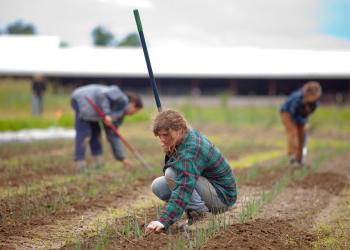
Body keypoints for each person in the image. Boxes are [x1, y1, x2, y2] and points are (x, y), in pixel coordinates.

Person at [146, 110, 237, 233]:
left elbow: (184, 186)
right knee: (158, 185)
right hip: (209, 188)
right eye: (159, 136)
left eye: (166, 135)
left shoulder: (191, 150)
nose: (162, 140)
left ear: (178, 130)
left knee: (172, 173)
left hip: (222, 198)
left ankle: (201, 215)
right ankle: (193, 210)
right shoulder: (185, 136)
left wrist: (164, 221)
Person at [71, 84, 143, 170]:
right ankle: (80, 164)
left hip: (94, 110)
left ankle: (98, 163)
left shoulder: (119, 115)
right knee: (84, 133)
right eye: (135, 111)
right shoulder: (122, 98)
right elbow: (102, 95)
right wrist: (107, 114)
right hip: (83, 98)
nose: (132, 114)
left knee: (96, 133)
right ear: (133, 104)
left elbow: (113, 135)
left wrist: (122, 158)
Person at [280, 81, 322, 167]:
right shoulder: (297, 98)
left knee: (302, 136)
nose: (316, 98)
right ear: (308, 94)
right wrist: (304, 122)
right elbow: (293, 114)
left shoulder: (314, 103)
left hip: (301, 117)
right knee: (293, 132)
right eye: (314, 96)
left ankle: (299, 160)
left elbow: (307, 113)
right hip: (287, 113)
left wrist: (305, 123)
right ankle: (292, 157)